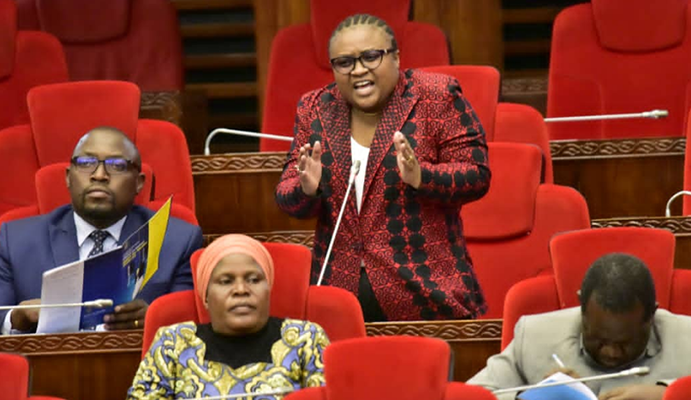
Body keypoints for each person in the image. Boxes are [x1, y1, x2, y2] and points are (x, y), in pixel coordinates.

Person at [275, 14, 491, 322]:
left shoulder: (436, 95)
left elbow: (477, 174)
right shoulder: (315, 107)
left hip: (425, 292)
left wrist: (422, 177)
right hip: (339, 298)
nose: (358, 70)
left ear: (396, 57)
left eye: (371, 57)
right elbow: (286, 194)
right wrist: (306, 189)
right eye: (344, 62)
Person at [0, 126, 203, 335]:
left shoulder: (176, 241)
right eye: (86, 163)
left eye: (117, 165)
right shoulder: (17, 240)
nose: (99, 175)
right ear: (68, 177)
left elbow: (191, 324)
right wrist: (17, 318)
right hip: (45, 358)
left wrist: (153, 319)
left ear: (138, 183)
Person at [127, 234, 329, 399]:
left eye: (253, 280)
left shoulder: (306, 339)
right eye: (226, 281)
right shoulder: (172, 343)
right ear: (206, 296)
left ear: (268, 289)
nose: (241, 289)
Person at [468, 253, 691, 400]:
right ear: (581, 307)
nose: (611, 353)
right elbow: (469, 395)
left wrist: (669, 395)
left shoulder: (686, 338)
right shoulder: (535, 336)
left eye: (625, 343)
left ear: (652, 315)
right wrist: (527, 397)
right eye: (599, 340)